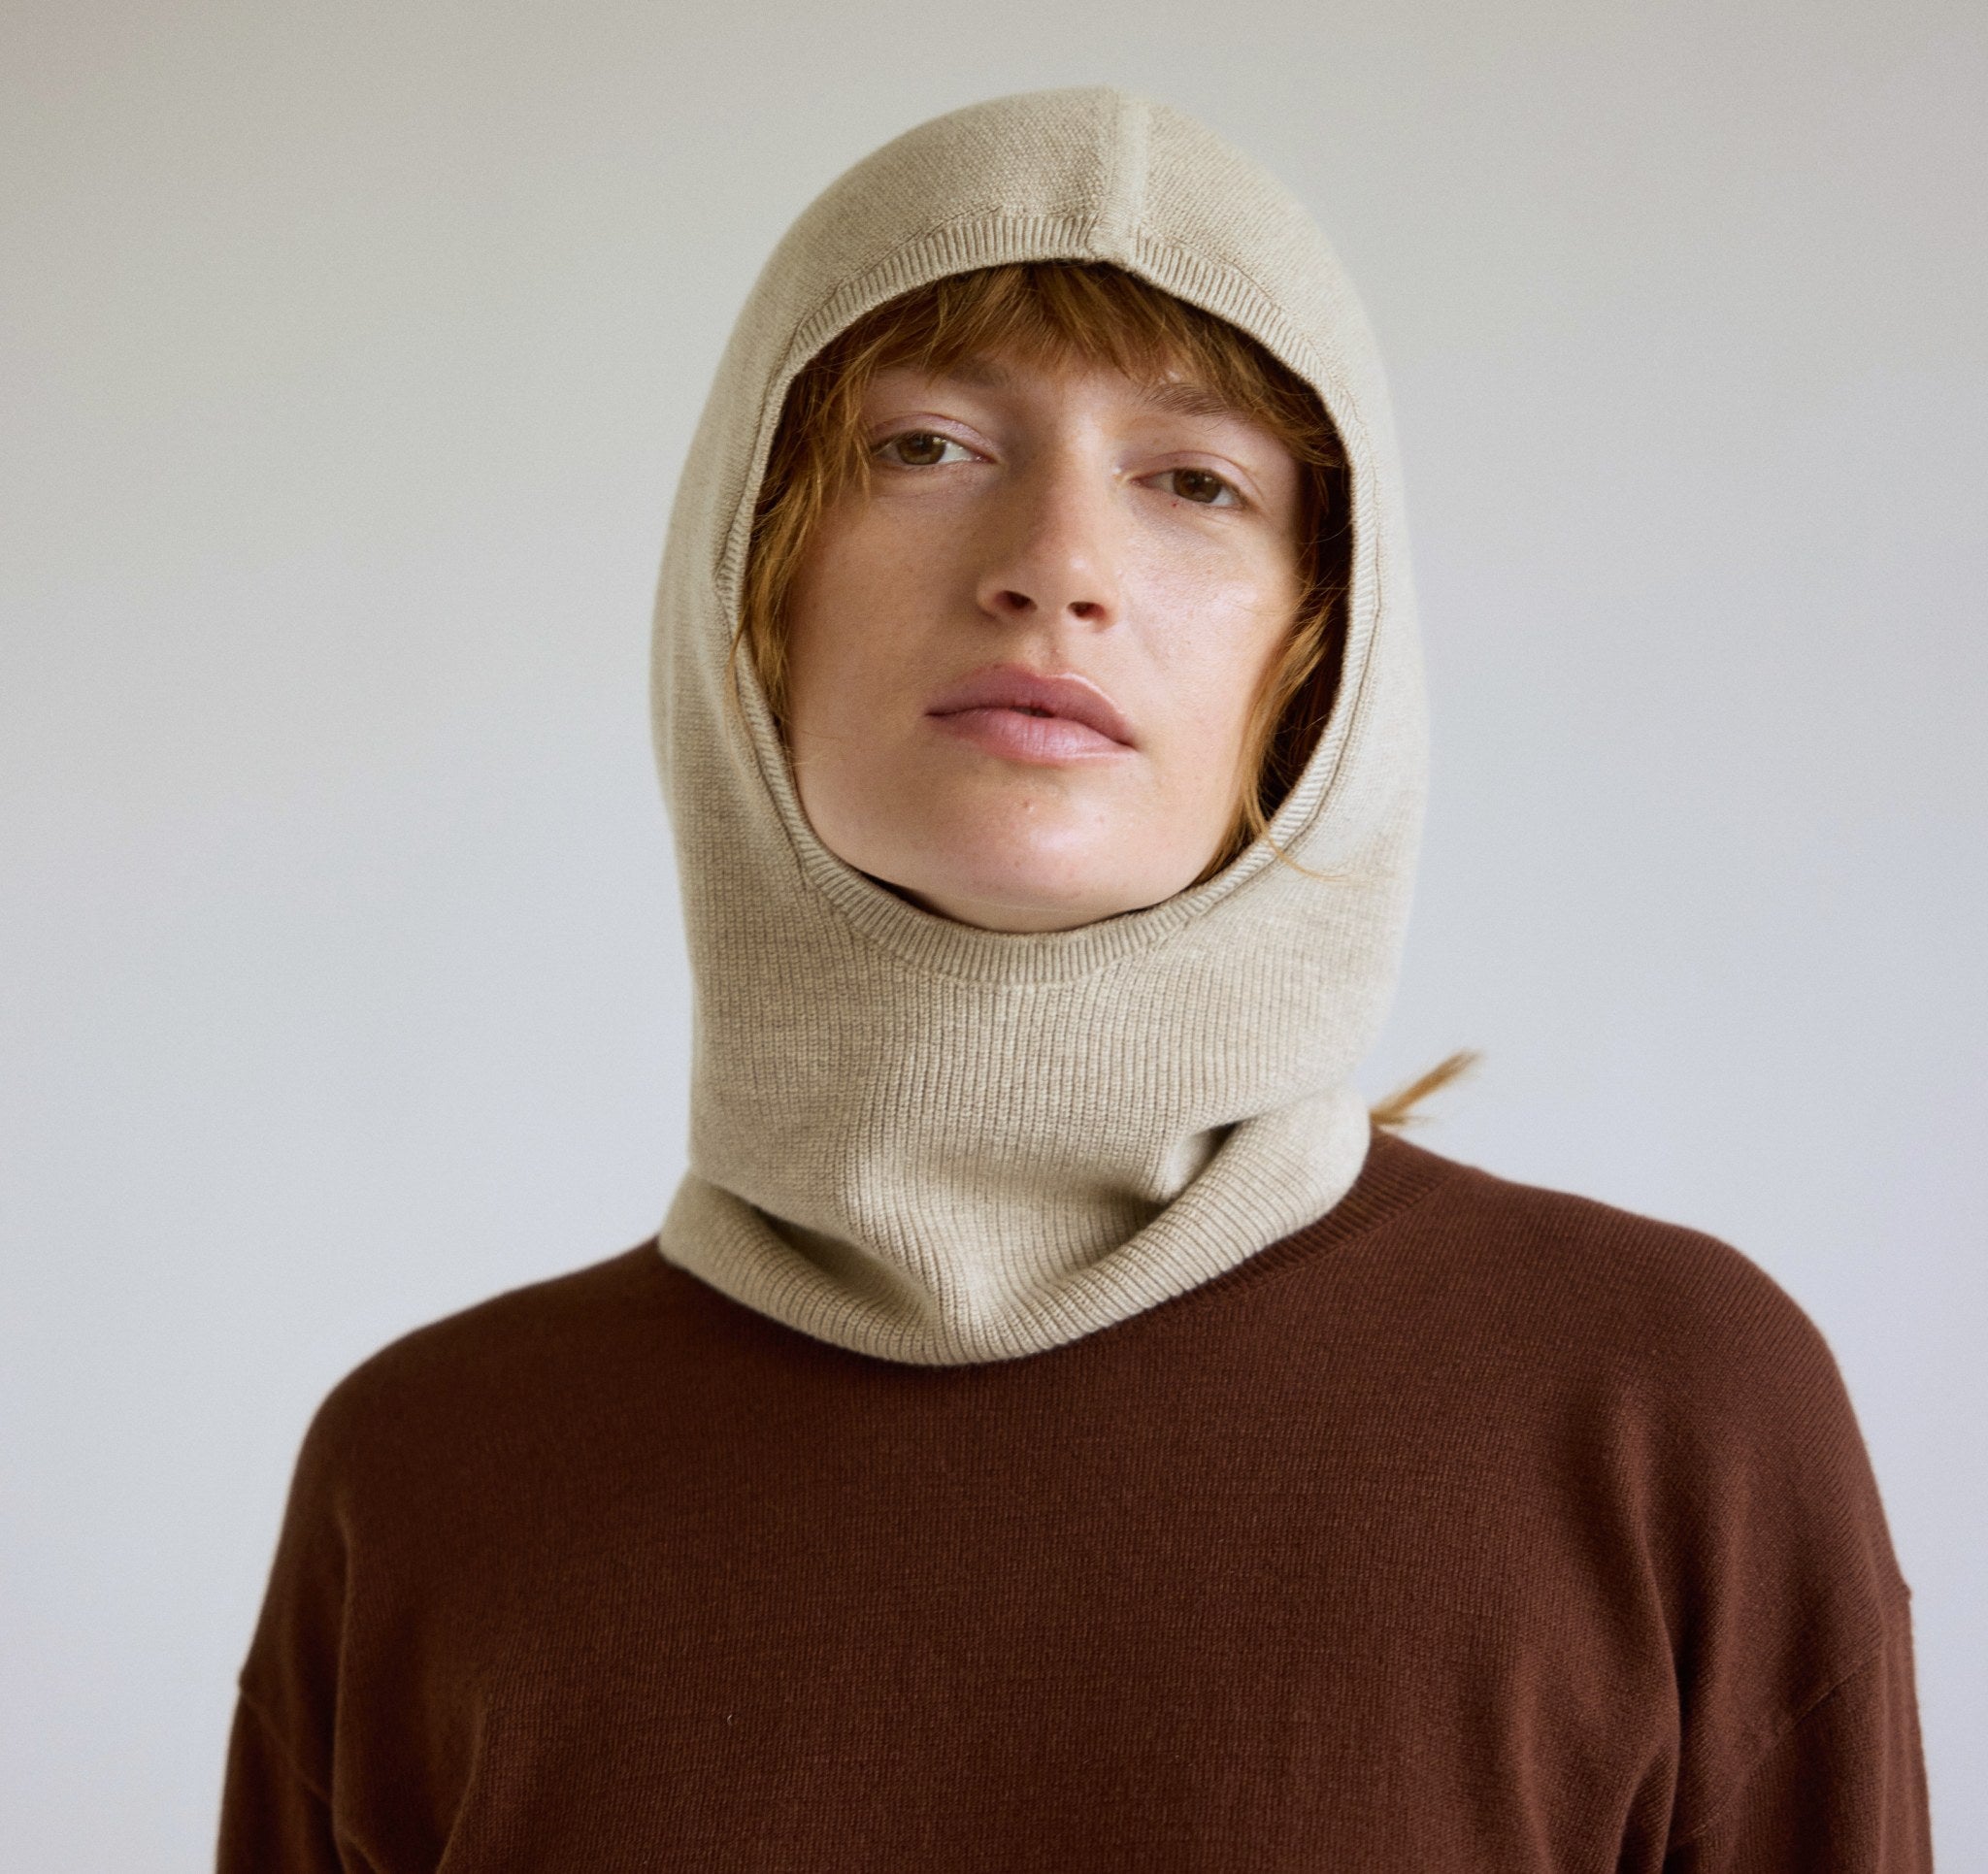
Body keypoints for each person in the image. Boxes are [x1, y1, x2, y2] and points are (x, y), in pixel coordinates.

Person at [215, 88, 1933, 1870]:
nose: (1055, 568)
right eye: (926, 446)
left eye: (1196, 482)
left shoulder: (1665, 1419)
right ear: (749, 578)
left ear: (1321, 657)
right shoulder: (425, 1480)